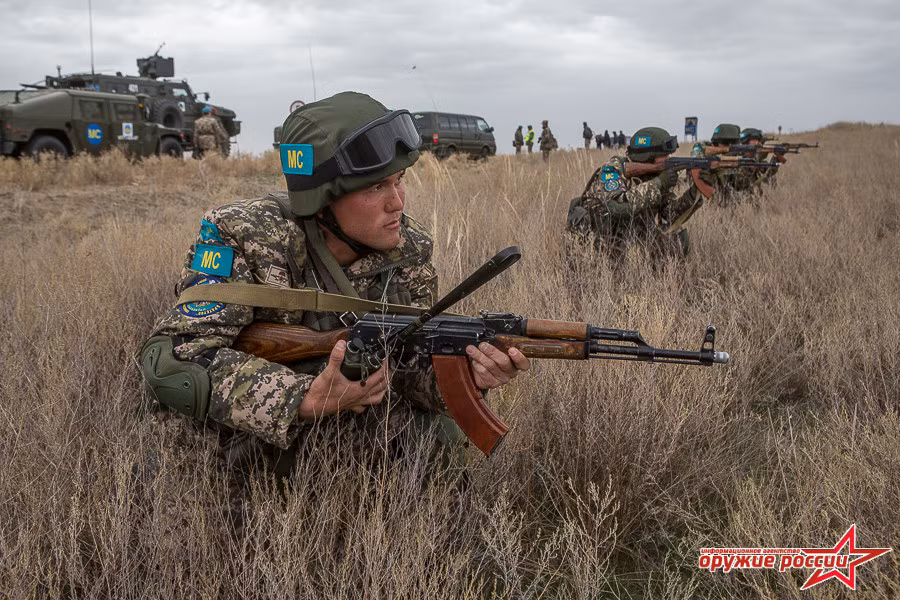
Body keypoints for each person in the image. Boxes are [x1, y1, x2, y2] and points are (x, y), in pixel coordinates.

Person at [140, 92, 531, 523]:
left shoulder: (410, 247)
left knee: (436, 438)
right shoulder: (243, 234)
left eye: (399, 180)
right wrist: (302, 398)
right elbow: (174, 361)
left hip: (360, 457)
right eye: (376, 187)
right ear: (324, 197)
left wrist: (468, 376)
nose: (397, 202)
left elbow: (409, 372)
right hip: (259, 461)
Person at [566, 127, 710, 257]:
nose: (668, 159)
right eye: (664, 156)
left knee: (677, 241)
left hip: (635, 242)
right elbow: (618, 208)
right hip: (603, 245)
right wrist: (658, 183)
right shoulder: (612, 171)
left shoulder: (655, 175)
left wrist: (694, 193)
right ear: (647, 156)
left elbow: (669, 214)